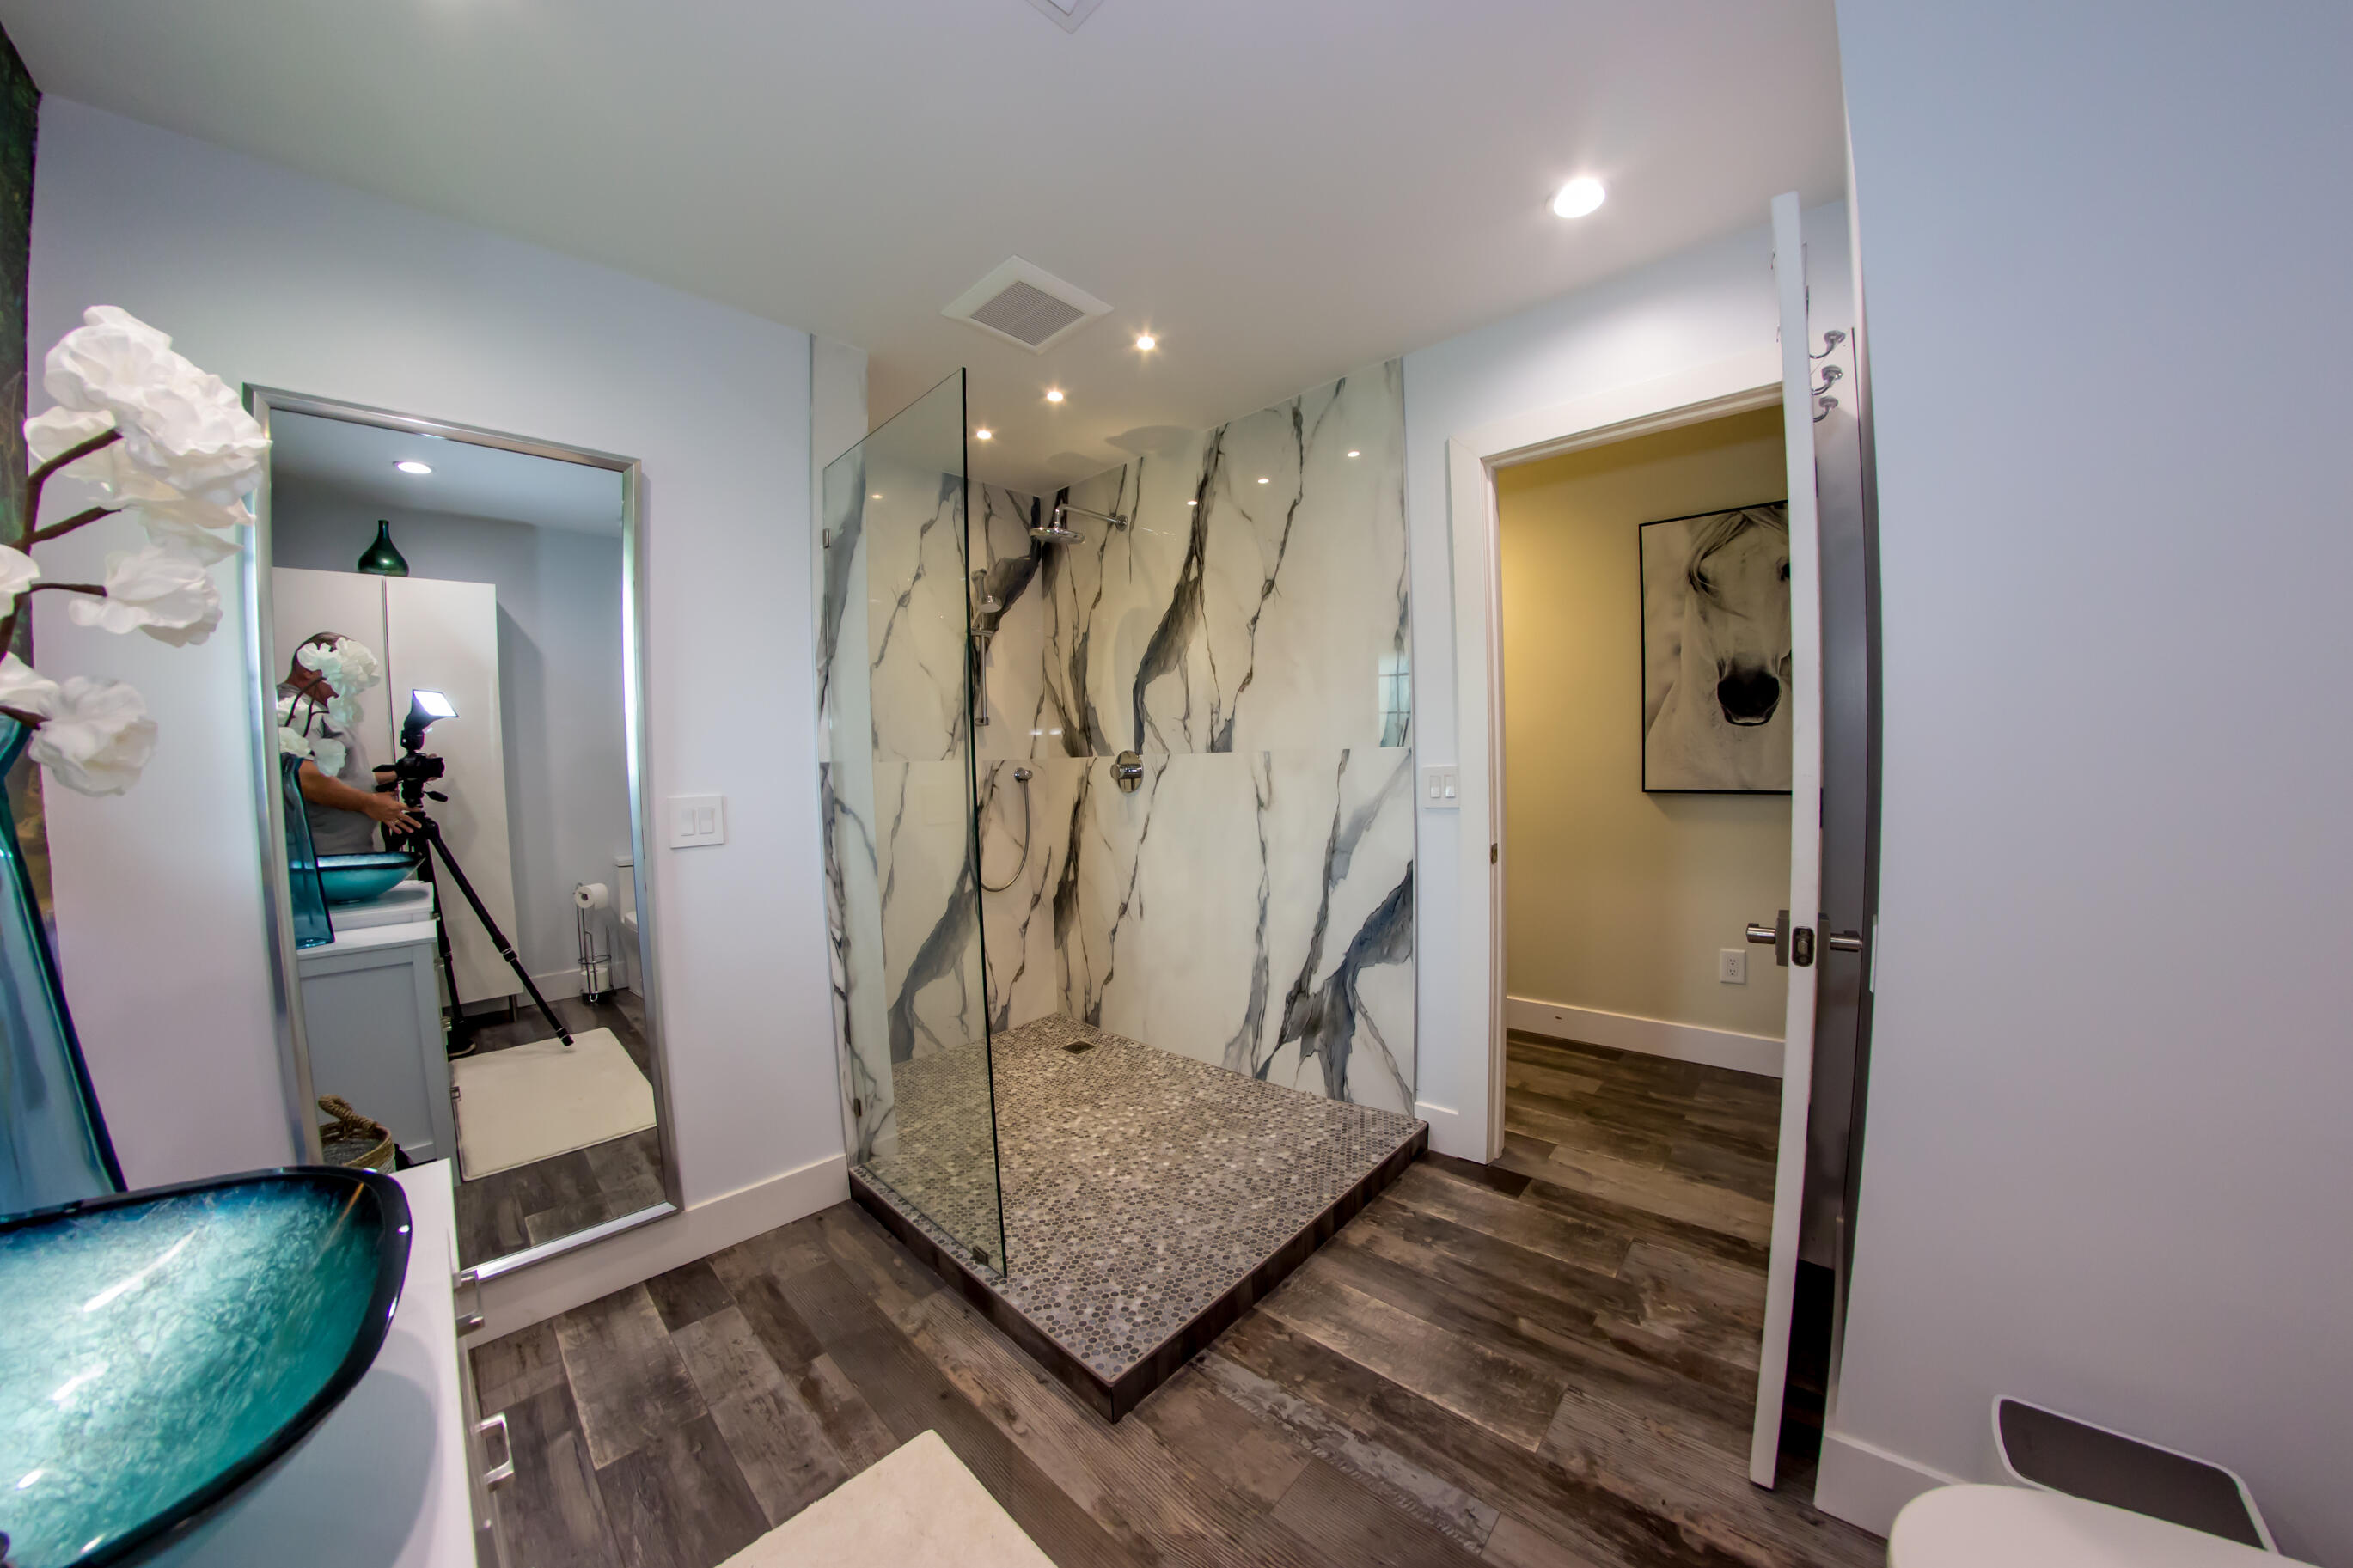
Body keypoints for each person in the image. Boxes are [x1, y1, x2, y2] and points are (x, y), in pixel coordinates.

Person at [278, 632, 419, 854]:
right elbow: (303, 777)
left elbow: (340, 777)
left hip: (342, 857)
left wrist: (399, 773)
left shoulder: (322, 710)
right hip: (320, 860)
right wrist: (368, 803)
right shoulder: (292, 710)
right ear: (309, 669)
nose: (353, 686)